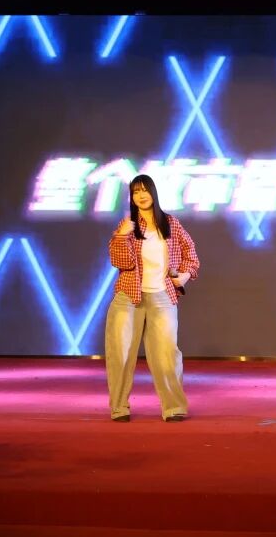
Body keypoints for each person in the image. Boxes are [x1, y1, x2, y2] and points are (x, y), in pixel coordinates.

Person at [104, 175, 200, 422]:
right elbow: (121, 262)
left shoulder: (170, 223)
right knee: (121, 354)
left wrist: (185, 275)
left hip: (162, 296)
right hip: (129, 296)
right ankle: (119, 408)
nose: (141, 195)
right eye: (136, 192)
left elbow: (191, 255)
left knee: (167, 354)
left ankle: (174, 407)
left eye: (145, 190)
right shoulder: (127, 225)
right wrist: (121, 236)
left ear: (153, 193)